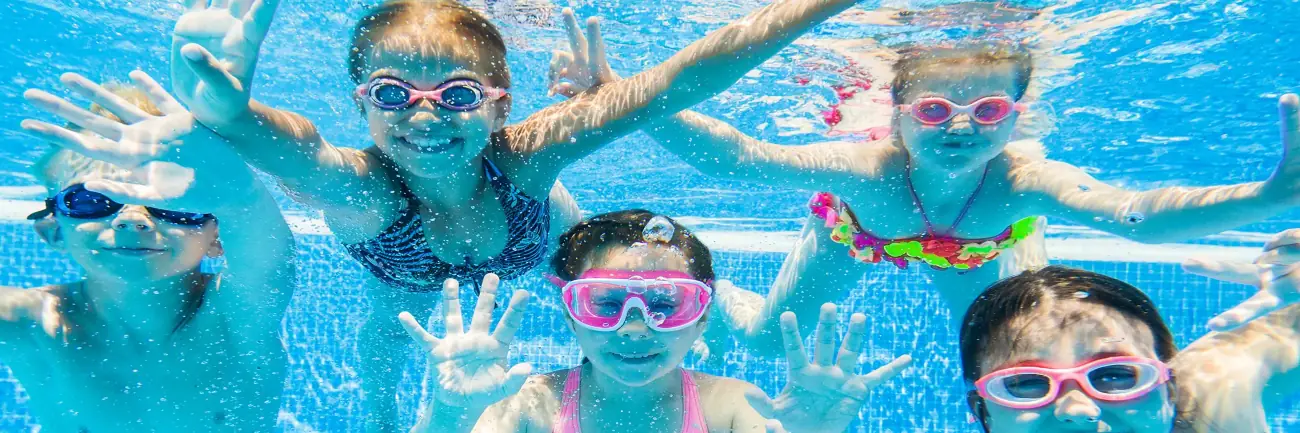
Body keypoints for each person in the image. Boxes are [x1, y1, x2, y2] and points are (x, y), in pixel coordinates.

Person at [153, 1, 876, 428]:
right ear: (360, 104)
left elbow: (678, 79)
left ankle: (704, 324)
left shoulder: (525, 156)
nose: (426, 117)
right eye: (393, 93)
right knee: (383, 347)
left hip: (540, 233)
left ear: (501, 101)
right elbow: (280, 143)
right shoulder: (362, 188)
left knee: (639, 278)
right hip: (406, 274)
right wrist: (222, 102)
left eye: (458, 94)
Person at [547, 8, 1300, 356]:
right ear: (898, 112)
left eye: (989, 108)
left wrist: (1266, 199)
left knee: (1032, 343)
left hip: (983, 251)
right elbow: (736, 157)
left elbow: (1132, 214)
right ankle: (719, 293)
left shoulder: (1022, 179)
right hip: (858, 238)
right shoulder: (867, 171)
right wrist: (625, 99)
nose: (962, 127)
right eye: (936, 108)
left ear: (1018, 115)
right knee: (768, 342)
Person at [397, 210, 912, 432]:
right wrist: (449, 412)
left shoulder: (730, 407)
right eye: (605, 302)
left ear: (701, 318)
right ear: (571, 317)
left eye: (666, 304)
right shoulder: (529, 406)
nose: (636, 327)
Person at [8, 71, 295, 432]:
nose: (132, 219)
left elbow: (269, 260)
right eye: (93, 199)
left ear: (218, 237)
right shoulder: (31, 321)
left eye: (174, 202)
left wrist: (238, 189)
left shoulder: (234, 316)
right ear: (53, 230)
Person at [960, 237, 1300, 432]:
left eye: (1115, 375)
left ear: (1170, 388)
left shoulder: (1219, 398)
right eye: (1027, 383)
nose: (1079, 411)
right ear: (981, 410)